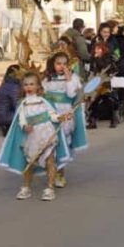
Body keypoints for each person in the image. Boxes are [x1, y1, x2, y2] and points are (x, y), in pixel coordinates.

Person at [0, 72, 72, 201]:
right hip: (32, 136)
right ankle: (26, 187)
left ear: (38, 86)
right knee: (30, 162)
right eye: (26, 84)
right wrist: (25, 126)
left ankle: (49, 188)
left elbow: (52, 115)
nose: (28, 87)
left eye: (32, 84)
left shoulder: (44, 101)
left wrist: (61, 117)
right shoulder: (23, 104)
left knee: (50, 160)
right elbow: (21, 119)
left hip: (47, 133)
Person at [43, 51, 87, 189]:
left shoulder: (74, 78)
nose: (61, 66)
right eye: (58, 63)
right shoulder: (47, 79)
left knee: (63, 145)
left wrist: (69, 80)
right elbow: (43, 96)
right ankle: (51, 171)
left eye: (64, 64)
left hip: (66, 116)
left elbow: (72, 95)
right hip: (51, 116)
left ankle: (60, 173)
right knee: (51, 146)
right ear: (53, 64)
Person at [87, 42, 118, 129]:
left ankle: (113, 118)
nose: (97, 50)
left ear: (103, 50)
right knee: (95, 101)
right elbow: (92, 70)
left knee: (106, 100)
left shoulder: (106, 57)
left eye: (99, 49)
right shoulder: (93, 58)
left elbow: (104, 67)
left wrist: (97, 59)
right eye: (96, 49)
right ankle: (93, 120)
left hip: (105, 81)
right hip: (96, 82)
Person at [0, 65, 21, 136]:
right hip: (4, 116)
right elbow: (16, 105)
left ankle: (5, 126)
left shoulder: (6, 83)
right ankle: (7, 126)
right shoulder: (13, 87)